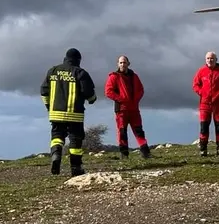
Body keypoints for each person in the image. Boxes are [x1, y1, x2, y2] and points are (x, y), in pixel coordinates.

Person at [41, 48, 97, 176]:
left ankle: (56, 155)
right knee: (75, 140)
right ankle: (76, 168)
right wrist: (92, 100)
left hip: (55, 113)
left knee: (57, 137)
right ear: (78, 60)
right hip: (75, 114)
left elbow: (44, 91)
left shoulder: (53, 71)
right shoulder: (80, 72)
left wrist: (49, 107)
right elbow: (89, 93)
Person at [105, 54, 151, 159]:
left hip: (134, 109)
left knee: (139, 130)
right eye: (120, 62)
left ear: (128, 64)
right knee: (122, 132)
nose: (122, 64)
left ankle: (145, 153)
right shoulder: (114, 76)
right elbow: (108, 92)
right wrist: (122, 99)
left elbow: (140, 90)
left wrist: (135, 100)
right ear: (118, 64)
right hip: (121, 110)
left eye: (124, 62)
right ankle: (124, 154)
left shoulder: (134, 76)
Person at [192, 51, 219, 156]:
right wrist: (202, 93)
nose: (210, 60)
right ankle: (203, 150)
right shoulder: (201, 71)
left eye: (212, 58)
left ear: (216, 60)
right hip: (204, 104)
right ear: (205, 60)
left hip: (218, 104)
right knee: (204, 127)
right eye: (208, 58)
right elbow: (195, 85)